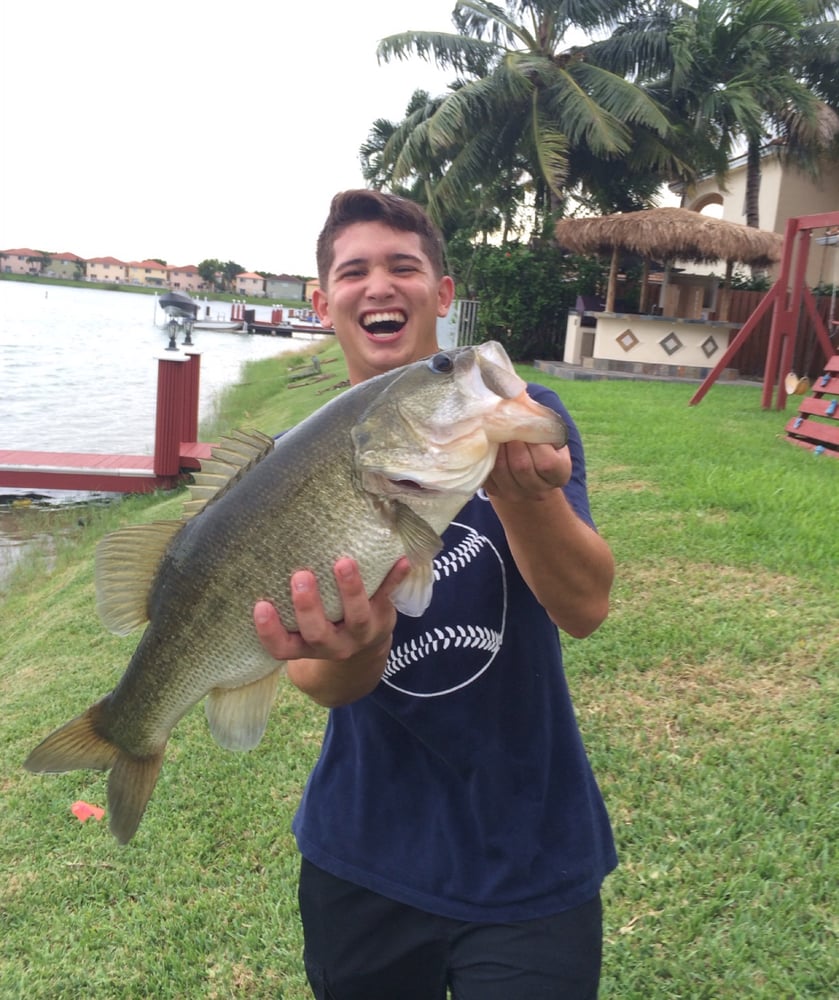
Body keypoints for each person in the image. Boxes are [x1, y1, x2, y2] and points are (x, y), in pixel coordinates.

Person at [253, 189, 617, 999]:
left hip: (531, 845)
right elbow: (320, 680)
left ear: (442, 293)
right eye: (354, 271)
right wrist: (365, 637)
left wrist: (526, 497)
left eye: (403, 267)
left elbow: (585, 610)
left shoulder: (523, 417)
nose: (378, 285)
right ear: (322, 302)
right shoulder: (288, 467)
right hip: (362, 851)